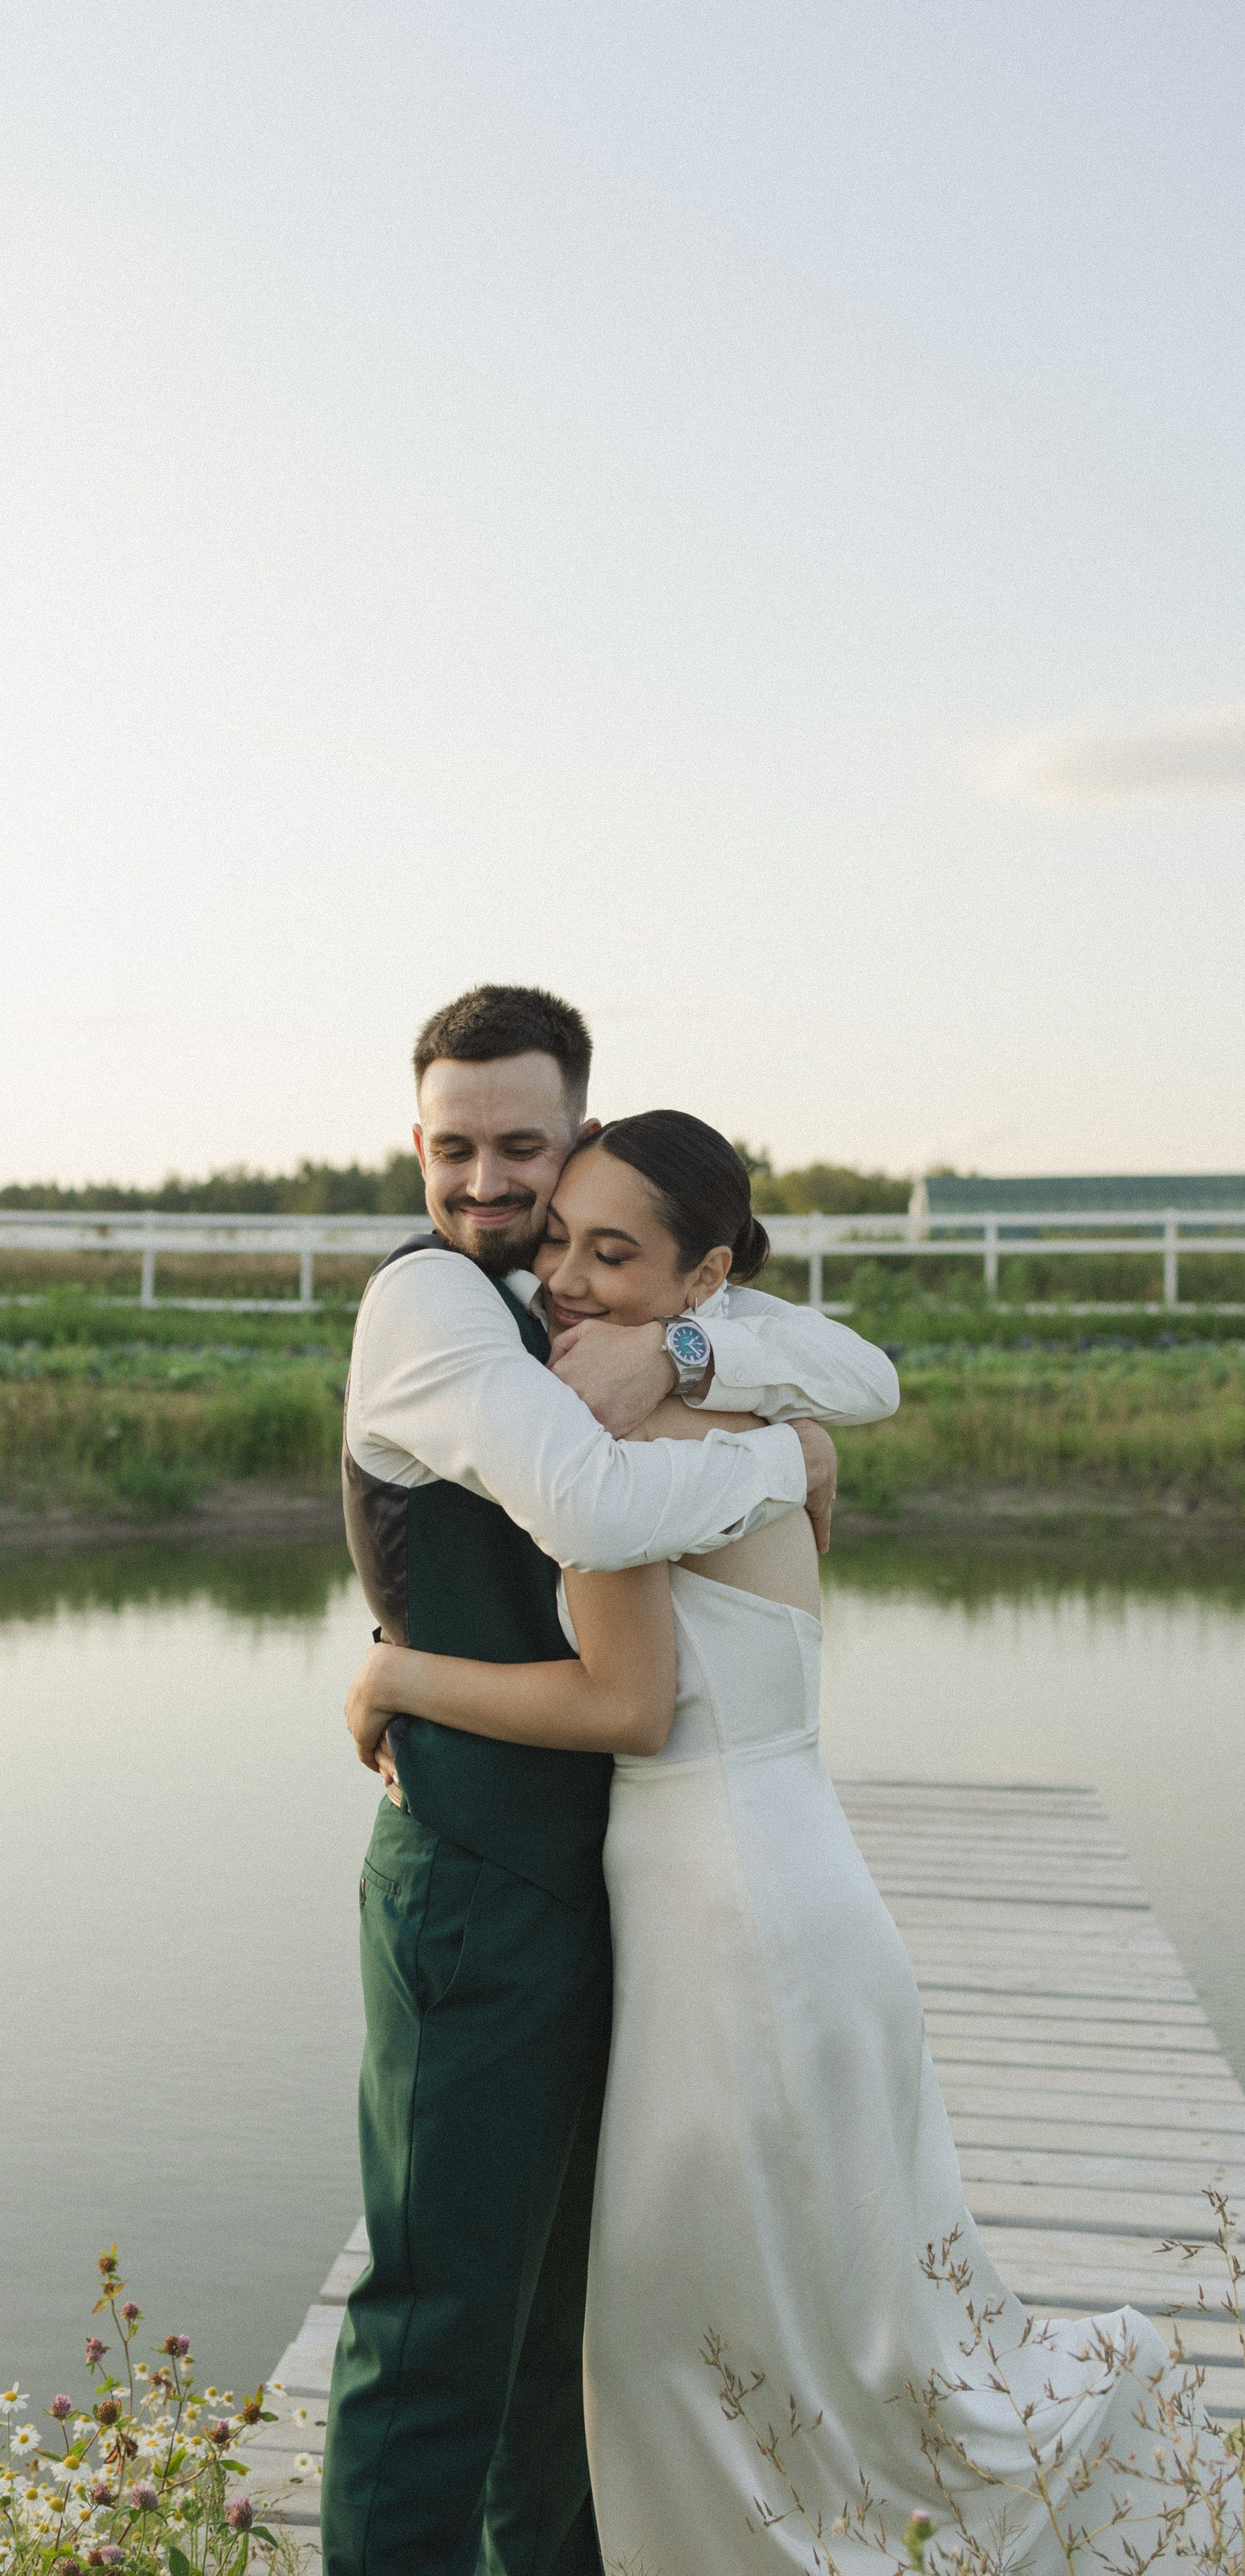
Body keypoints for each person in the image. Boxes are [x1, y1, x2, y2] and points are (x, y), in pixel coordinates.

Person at [345, 1110, 1242, 2574]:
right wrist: (787, 1443)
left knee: (673, 2340)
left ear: (702, 1280)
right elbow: (846, 1391)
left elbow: (627, 1701)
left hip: (721, 1917)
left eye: (607, 1250)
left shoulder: (629, 1426)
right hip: (800, 1883)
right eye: (560, 1241)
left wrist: (391, 1673)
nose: (565, 1276)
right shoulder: (733, 1391)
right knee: (835, 2319)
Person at [322, 987, 900, 2576]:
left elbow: (855, 1364)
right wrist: (783, 1459)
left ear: (574, 1136)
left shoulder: (574, 1298)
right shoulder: (432, 1305)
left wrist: (699, 1346)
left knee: (554, 2343)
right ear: (416, 1145)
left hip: (592, 1886)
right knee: (438, 2328)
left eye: (522, 1146)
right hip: (471, 1884)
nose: (486, 1184)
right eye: (453, 1148)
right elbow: (586, 1497)